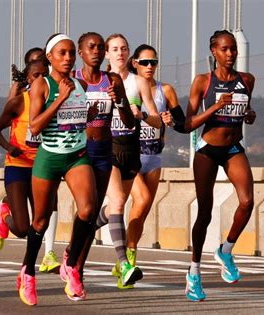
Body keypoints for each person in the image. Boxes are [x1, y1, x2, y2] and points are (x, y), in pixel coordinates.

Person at [18, 33, 97, 306]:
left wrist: (89, 115)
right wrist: (60, 99)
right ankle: (28, 272)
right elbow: (36, 126)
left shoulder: (80, 84)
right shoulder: (42, 84)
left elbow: (74, 121)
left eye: (72, 53)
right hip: (50, 157)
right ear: (49, 57)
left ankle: (71, 265)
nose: (68, 58)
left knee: (88, 210)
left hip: (76, 156)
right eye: (62, 53)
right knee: (40, 220)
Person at [184, 30, 256, 302]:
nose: (231, 54)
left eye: (234, 49)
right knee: (205, 213)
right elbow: (189, 124)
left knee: (247, 201)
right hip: (208, 151)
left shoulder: (247, 81)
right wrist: (214, 108)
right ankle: (194, 272)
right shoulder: (203, 81)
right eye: (225, 49)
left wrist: (249, 115)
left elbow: (243, 114)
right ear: (213, 51)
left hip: (233, 148)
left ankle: (225, 250)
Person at [94, 34, 162, 289]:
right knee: (120, 201)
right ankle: (124, 265)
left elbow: (156, 120)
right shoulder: (99, 82)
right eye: (114, 49)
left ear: (129, 54)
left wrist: (141, 114)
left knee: (111, 207)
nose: (120, 53)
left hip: (131, 150)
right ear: (107, 54)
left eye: (124, 48)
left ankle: (86, 227)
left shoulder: (139, 82)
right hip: (106, 149)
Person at [71, 32, 136, 283]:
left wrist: (119, 101)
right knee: (86, 209)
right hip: (79, 151)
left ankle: (76, 267)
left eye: (100, 47)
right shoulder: (73, 81)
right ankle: (75, 267)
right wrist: (85, 115)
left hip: (104, 151)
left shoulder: (112, 80)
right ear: (81, 52)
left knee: (92, 213)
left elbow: (129, 122)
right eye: (92, 47)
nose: (96, 51)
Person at [124, 44, 188, 287]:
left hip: (154, 156)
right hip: (130, 154)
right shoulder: (127, 87)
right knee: (138, 203)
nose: (149, 67)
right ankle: (126, 260)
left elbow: (182, 124)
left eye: (153, 62)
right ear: (134, 63)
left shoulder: (165, 90)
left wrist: (170, 122)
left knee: (142, 212)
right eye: (145, 62)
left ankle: (129, 256)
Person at [0, 48, 61, 274]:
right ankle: (4, 213)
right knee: (22, 229)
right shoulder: (18, 103)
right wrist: (9, 147)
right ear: (29, 78)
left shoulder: (52, 103)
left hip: (42, 167)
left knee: (40, 222)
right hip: (17, 167)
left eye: (44, 74)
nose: (40, 79)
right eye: (35, 76)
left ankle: (38, 261)